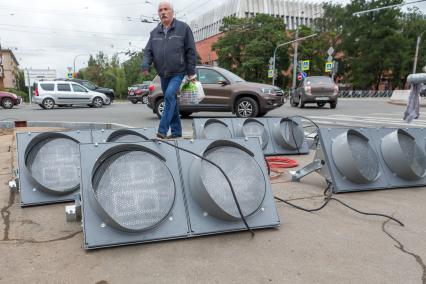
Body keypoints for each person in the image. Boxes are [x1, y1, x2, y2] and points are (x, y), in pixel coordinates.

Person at [142, 1, 197, 139]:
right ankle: (177, 132)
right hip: (163, 73)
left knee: (168, 96)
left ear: (172, 12)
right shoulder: (154, 33)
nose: (163, 12)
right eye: (160, 10)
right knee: (170, 98)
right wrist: (145, 64)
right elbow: (148, 51)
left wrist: (191, 72)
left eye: (166, 9)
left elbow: (190, 50)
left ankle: (162, 130)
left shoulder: (183, 28)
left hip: (178, 71)